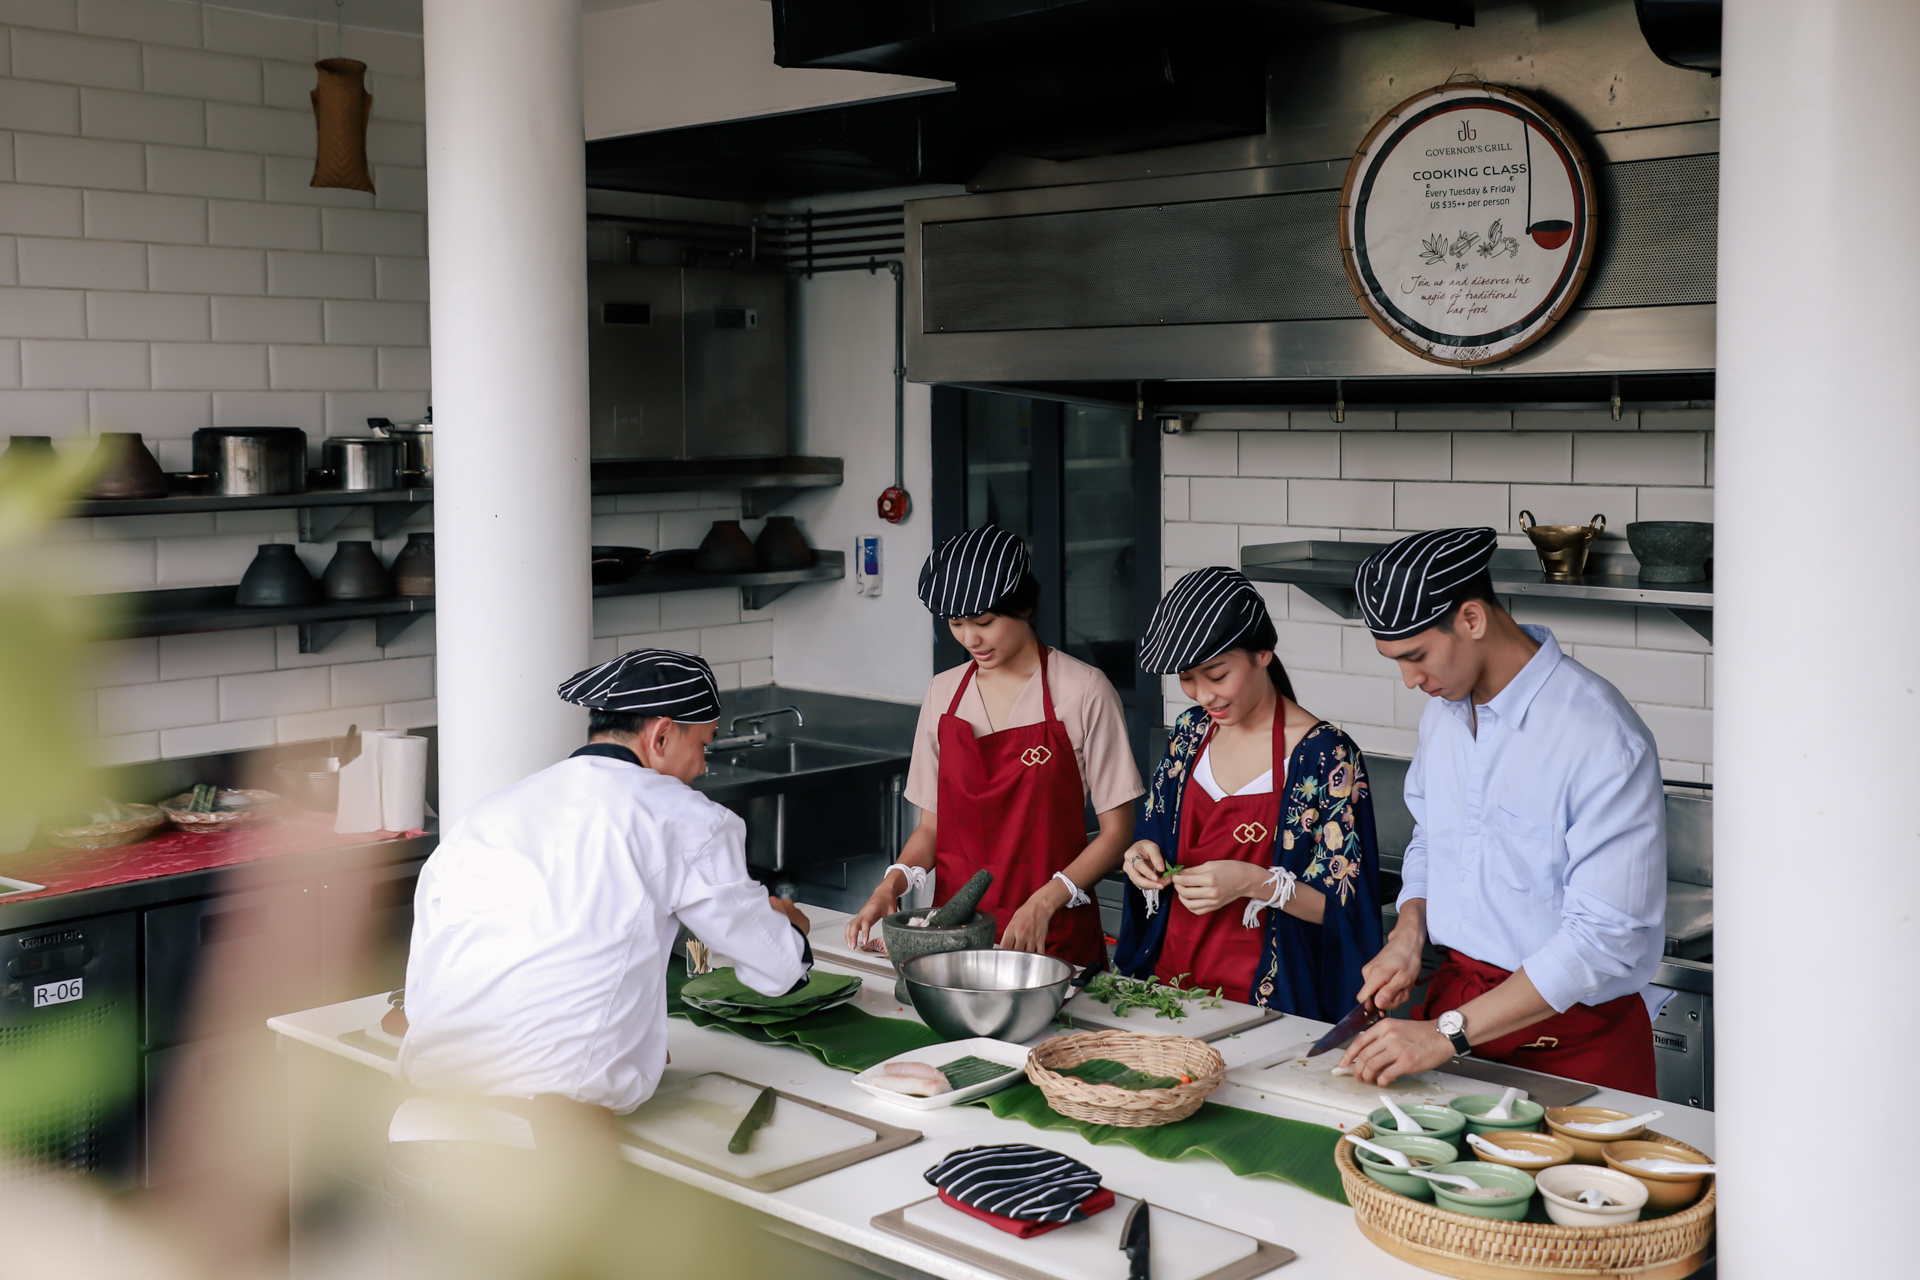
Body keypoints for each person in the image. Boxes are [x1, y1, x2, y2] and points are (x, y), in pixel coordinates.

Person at [388, 648, 814, 1278]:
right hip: (536, 1148)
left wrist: (630, 1037)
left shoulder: (490, 815)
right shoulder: (679, 815)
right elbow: (777, 969)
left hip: (419, 1131)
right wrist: (791, 923)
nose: (703, 765)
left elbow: (431, 990)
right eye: (704, 743)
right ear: (662, 735)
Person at [1339, 528, 1667, 1095]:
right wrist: (1410, 929)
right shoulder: (1442, 715)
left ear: (1471, 619)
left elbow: (1604, 939)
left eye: (1416, 656)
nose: (1410, 680)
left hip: (1576, 1048)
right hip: (1459, 1029)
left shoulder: (1599, 735)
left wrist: (1443, 1036)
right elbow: (1430, 837)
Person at [844, 525, 1143, 969]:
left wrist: (1043, 904)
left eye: (984, 622)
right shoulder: (943, 694)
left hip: (1053, 939)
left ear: (1023, 606)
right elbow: (931, 829)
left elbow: (1118, 834)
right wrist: (889, 886)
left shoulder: (1082, 690)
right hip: (954, 939)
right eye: (956, 624)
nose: (970, 639)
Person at [1113, 568, 1382, 1016]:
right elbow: (1152, 837)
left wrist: (1252, 882)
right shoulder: (1189, 734)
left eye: (1216, 674)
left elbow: (1347, 912)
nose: (1203, 695)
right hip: (1168, 986)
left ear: (1263, 653)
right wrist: (1139, 855)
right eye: (1187, 679)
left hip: (1269, 1001)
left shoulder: (1327, 758)